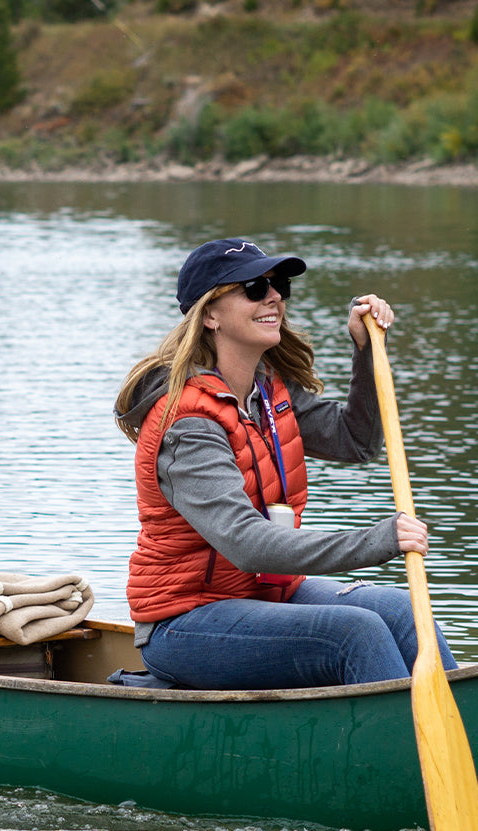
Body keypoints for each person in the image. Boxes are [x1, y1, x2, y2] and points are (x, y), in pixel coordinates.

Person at [113, 237, 456, 690]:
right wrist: (376, 542)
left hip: (267, 591)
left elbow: (356, 440)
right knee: (356, 633)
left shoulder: (269, 392)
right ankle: (401, 754)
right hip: (184, 621)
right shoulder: (187, 425)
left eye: (278, 284)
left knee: (401, 610)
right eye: (254, 287)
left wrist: (368, 351)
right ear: (210, 314)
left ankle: (473, 742)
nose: (273, 294)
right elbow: (247, 543)